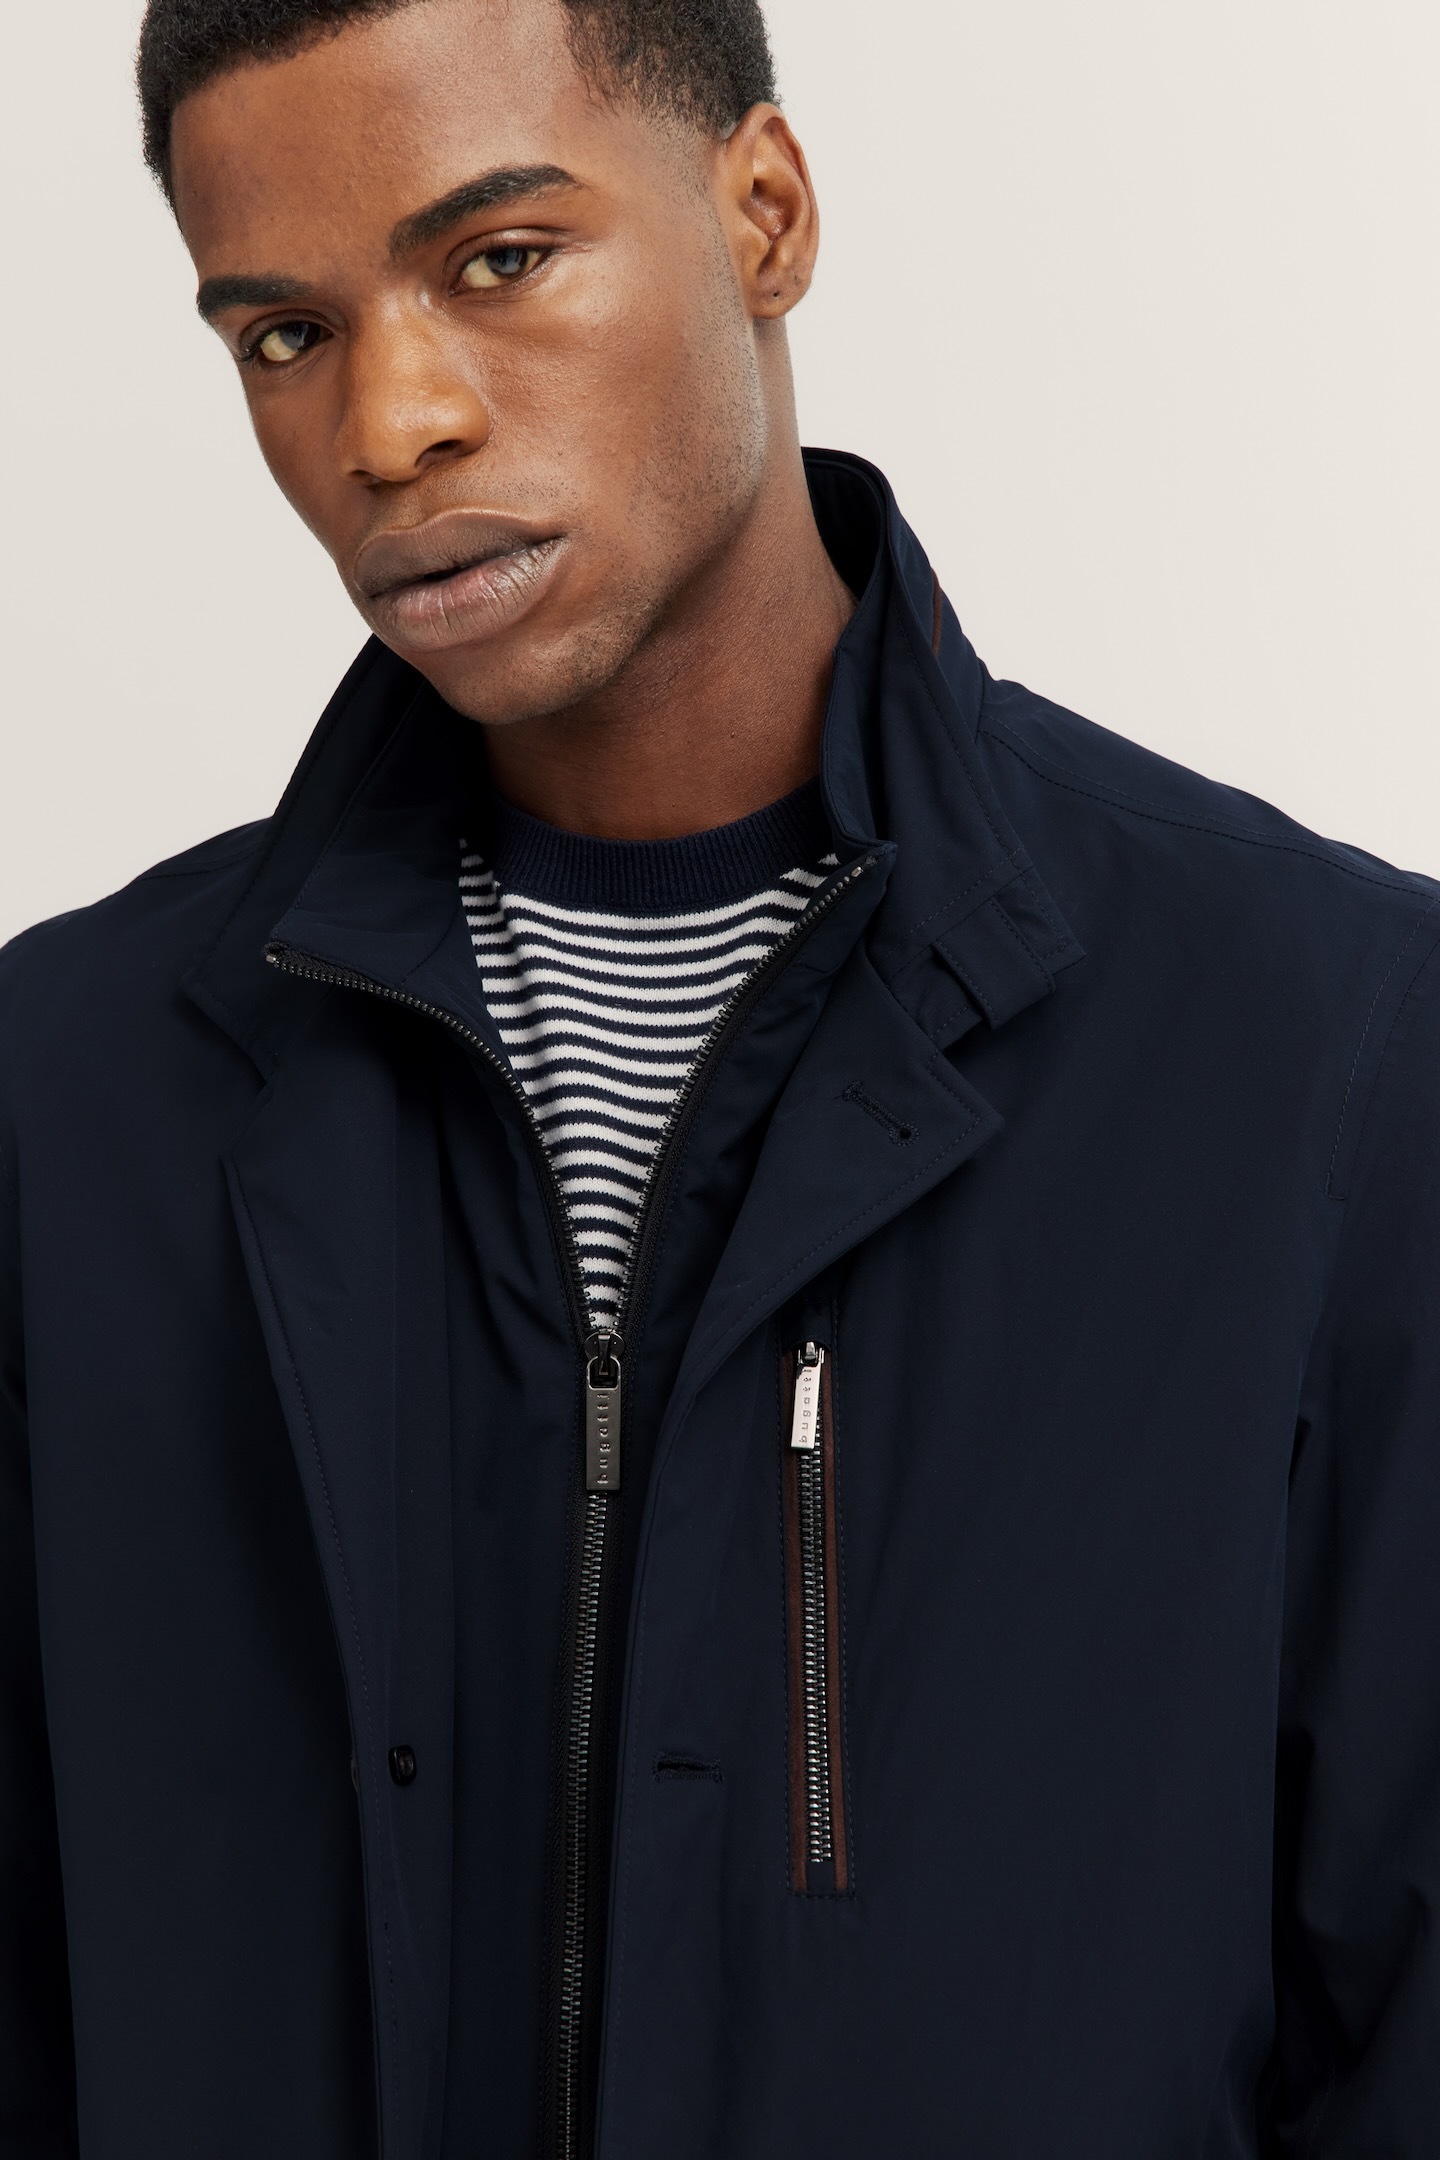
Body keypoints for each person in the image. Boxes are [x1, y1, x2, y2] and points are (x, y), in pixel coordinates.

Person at [3, 0, 1439, 2153]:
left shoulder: (1328, 1047)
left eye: (500, 259)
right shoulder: (68, 1100)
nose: (390, 424)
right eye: (284, 335)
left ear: (763, 213)